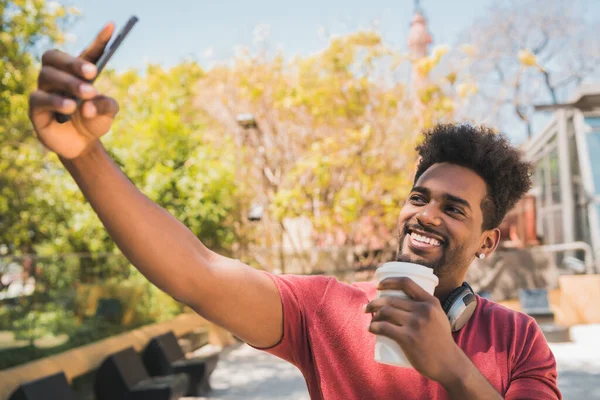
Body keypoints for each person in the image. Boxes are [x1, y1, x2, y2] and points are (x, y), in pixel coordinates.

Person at [28, 24, 561, 400]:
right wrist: (82, 156)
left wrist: (451, 369)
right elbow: (198, 273)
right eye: (418, 197)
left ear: (488, 241)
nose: (425, 214)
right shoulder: (326, 310)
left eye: (454, 208)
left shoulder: (517, 339)